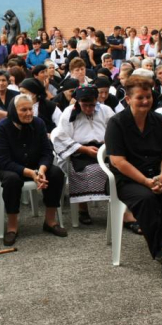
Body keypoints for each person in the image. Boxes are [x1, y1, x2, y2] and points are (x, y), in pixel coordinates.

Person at [105, 75, 162, 270]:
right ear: (129, 99)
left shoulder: (157, 120)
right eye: (140, 97)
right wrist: (146, 182)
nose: (146, 101)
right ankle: (160, 250)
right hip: (128, 179)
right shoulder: (117, 123)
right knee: (146, 198)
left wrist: (161, 178)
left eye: (148, 96)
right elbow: (118, 161)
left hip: (157, 175)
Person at [0, 94, 66, 245]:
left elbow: (47, 151)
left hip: (36, 165)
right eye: (23, 110)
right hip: (13, 168)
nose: (28, 113)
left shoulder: (38, 123)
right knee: (11, 180)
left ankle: (50, 221)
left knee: (56, 173)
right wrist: (30, 173)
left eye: (30, 109)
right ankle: (12, 226)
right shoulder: (3, 127)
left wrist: (41, 169)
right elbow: (3, 160)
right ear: (14, 111)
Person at [52, 85, 125, 227]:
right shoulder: (68, 113)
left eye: (92, 105)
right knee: (85, 171)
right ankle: (82, 208)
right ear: (78, 102)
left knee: (119, 169)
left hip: (104, 149)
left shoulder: (105, 110)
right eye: (84, 105)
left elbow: (115, 129)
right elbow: (61, 137)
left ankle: (119, 206)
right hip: (79, 151)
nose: (88, 109)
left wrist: (108, 142)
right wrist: (83, 149)